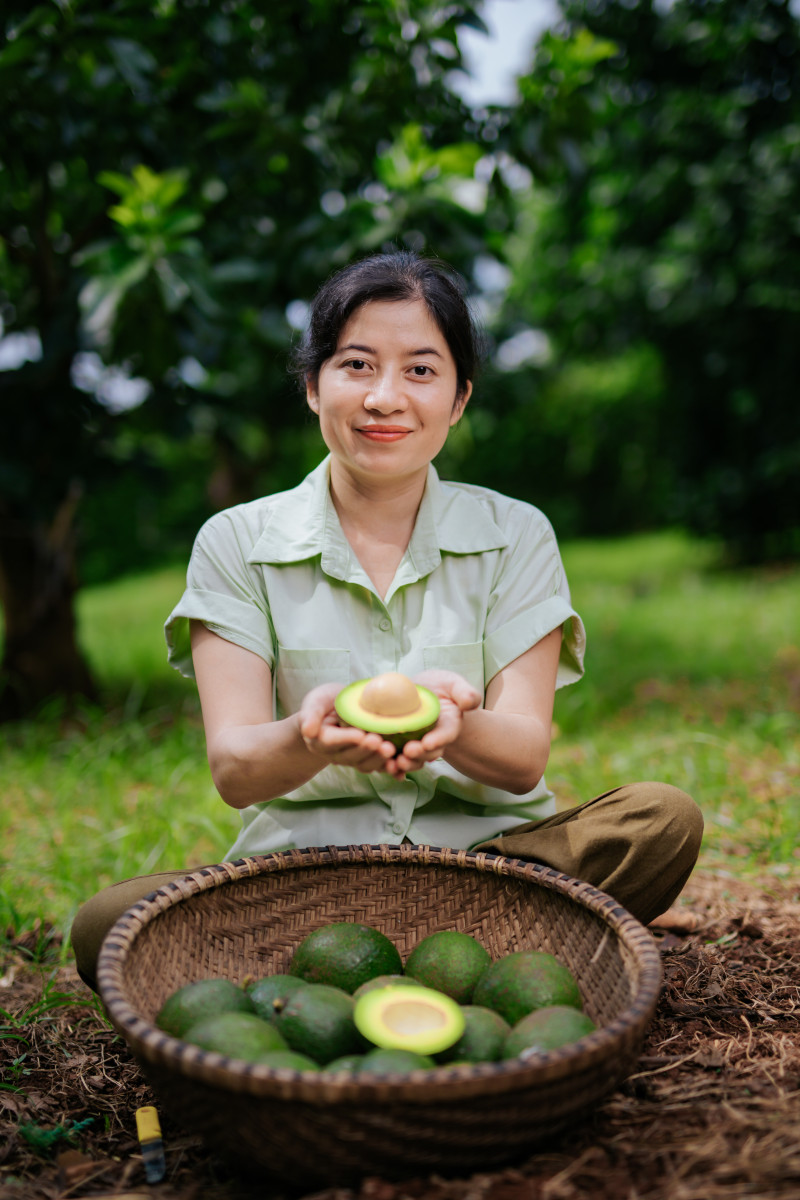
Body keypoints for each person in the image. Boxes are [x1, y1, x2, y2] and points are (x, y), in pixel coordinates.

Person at [71, 250, 703, 992]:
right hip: (306, 879)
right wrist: (312, 738)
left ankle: (359, 970)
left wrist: (454, 725)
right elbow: (237, 768)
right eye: (358, 365)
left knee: (662, 819)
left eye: (422, 371)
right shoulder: (236, 541)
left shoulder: (516, 532)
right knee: (105, 923)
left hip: (494, 864)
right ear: (313, 385)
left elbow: (525, 753)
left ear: (460, 398)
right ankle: (490, 960)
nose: (385, 398)